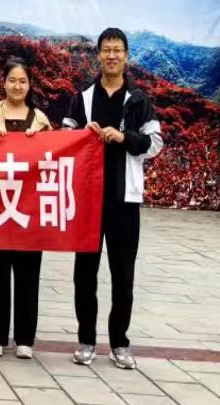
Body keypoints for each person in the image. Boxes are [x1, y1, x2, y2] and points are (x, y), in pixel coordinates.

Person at [63, 28, 162, 370]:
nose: (112, 55)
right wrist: (82, 134)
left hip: (124, 200)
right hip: (88, 199)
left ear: (126, 56)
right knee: (84, 274)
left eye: (117, 50)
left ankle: (120, 343)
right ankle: (86, 340)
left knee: (123, 274)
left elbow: (155, 143)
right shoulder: (84, 97)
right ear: (98, 55)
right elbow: (64, 137)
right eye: (106, 49)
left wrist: (123, 137)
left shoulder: (138, 99)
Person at [0, 57, 53, 359]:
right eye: (12, 80)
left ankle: (25, 338)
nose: (17, 86)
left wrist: (40, 143)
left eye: (23, 81)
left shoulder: (41, 120)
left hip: (29, 209)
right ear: (3, 83)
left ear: (29, 85)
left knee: (28, 273)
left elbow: (52, 162)